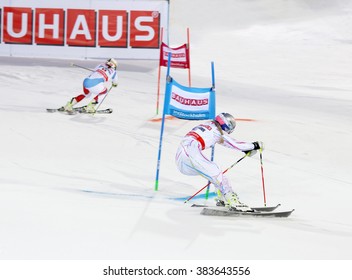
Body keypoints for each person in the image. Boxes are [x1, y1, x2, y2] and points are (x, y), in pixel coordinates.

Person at [175, 112, 264, 212]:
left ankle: (222, 197)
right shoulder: (216, 131)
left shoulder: (208, 125)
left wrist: (245, 149)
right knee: (215, 172)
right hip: (190, 152)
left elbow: (225, 141)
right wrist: (254, 145)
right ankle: (232, 200)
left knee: (217, 175)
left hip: (181, 157)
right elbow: (233, 143)